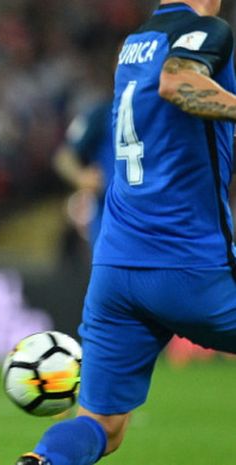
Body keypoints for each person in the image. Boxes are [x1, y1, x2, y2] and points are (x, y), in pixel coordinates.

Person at [16, 1, 236, 464]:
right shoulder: (206, 30)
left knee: (103, 425)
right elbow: (177, 82)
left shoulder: (135, 43)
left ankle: (40, 462)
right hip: (189, 265)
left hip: (116, 269)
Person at [52, 98, 113, 249]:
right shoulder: (101, 113)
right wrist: (81, 176)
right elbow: (63, 156)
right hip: (107, 217)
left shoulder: (157, 113)